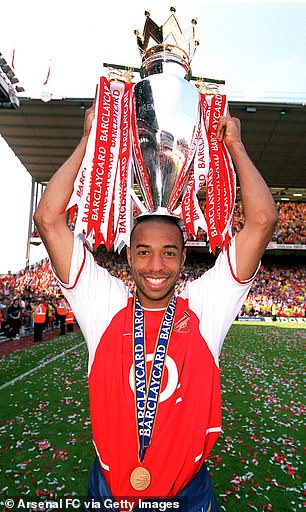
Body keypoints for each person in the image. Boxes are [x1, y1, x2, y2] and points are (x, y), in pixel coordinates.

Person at [34, 103, 277, 511]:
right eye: (144, 252)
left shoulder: (204, 306)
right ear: (129, 257)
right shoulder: (104, 304)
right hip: (110, 490)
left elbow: (263, 220)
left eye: (169, 253)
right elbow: (47, 219)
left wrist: (235, 146)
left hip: (188, 495)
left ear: (184, 259)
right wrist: (85, 142)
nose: (156, 266)